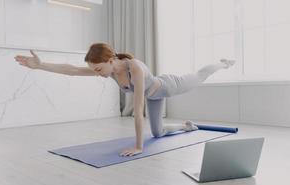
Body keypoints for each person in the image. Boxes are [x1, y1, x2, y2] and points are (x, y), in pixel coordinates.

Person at [14, 43, 235, 157]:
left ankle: (223, 63)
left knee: (199, 76)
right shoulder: (109, 70)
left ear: (111, 60)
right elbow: (72, 70)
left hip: (168, 86)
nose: (98, 74)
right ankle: (186, 126)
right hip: (154, 97)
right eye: (95, 70)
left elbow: (138, 111)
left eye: (99, 69)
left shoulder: (134, 68)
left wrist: (139, 146)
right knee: (158, 133)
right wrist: (40, 65)